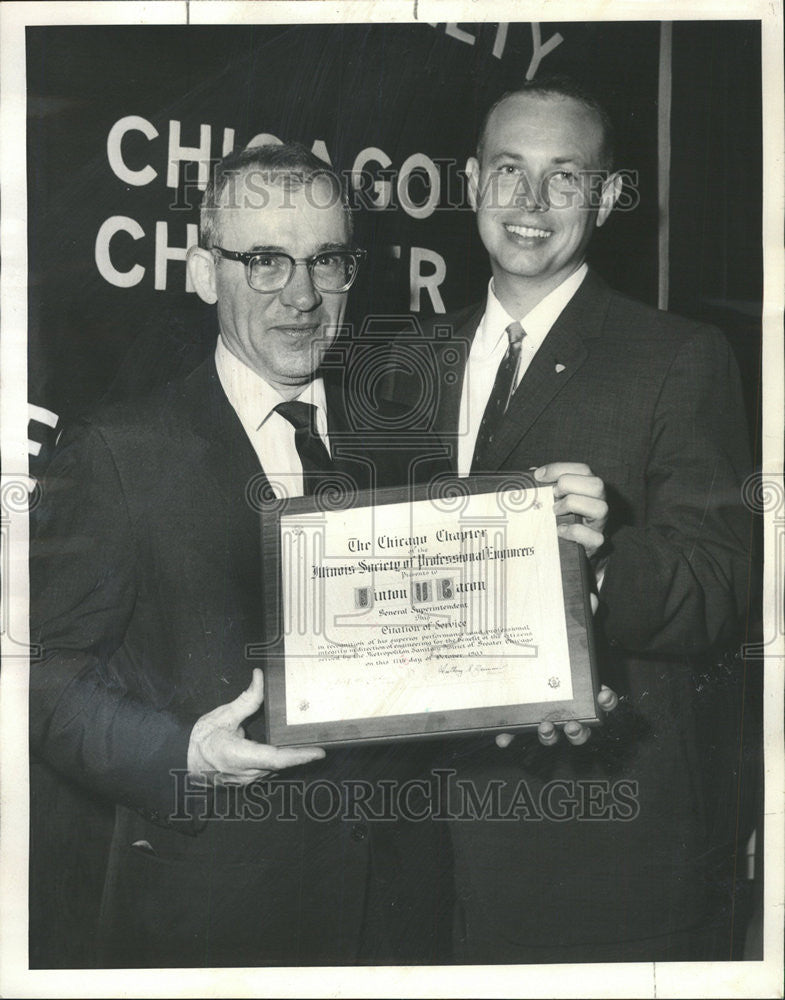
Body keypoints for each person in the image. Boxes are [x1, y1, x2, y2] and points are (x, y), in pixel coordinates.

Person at [28, 142, 453, 968]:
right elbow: (36, 683)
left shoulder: (404, 445)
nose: (299, 295)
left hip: (400, 919)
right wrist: (180, 753)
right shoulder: (120, 452)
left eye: (324, 260)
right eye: (263, 261)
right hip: (212, 922)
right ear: (201, 272)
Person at [377, 75, 755, 962]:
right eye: (508, 170)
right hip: (415, 845)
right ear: (471, 182)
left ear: (609, 196)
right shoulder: (402, 364)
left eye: (565, 177)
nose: (530, 203)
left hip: (597, 845)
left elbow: (720, 585)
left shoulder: (678, 357)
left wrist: (591, 570)